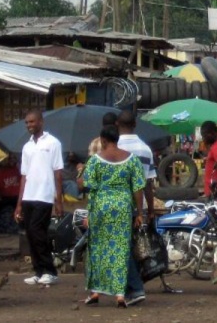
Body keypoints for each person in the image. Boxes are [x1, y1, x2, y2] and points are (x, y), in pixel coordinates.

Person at [80, 125, 145, 308]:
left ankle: (95, 292)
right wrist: (139, 213)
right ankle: (120, 296)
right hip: (123, 208)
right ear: (117, 139)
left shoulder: (94, 161)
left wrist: (90, 213)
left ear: (103, 140)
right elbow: (138, 188)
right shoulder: (132, 160)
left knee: (98, 249)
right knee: (121, 250)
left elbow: (90, 189)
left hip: (101, 207)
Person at [14, 110, 63, 286]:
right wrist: (19, 204)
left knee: (37, 231)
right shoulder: (27, 147)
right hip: (28, 195)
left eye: (32, 122)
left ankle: (50, 270)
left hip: (45, 195)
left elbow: (58, 173)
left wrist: (59, 200)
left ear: (41, 122)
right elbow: (24, 176)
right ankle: (38, 270)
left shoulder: (53, 143)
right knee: (30, 233)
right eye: (27, 123)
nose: (29, 125)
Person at [116, 111, 157, 306]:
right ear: (135, 125)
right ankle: (129, 288)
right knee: (130, 247)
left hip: (118, 205)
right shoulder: (145, 149)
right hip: (136, 206)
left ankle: (134, 288)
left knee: (122, 248)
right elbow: (148, 185)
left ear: (118, 124)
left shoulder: (113, 148)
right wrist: (149, 210)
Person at [0, 155, 21, 234]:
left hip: (17, 198)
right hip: (5, 199)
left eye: (14, 158)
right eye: (9, 158)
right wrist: (0, 200)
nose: (12, 161)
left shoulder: (18, 170)